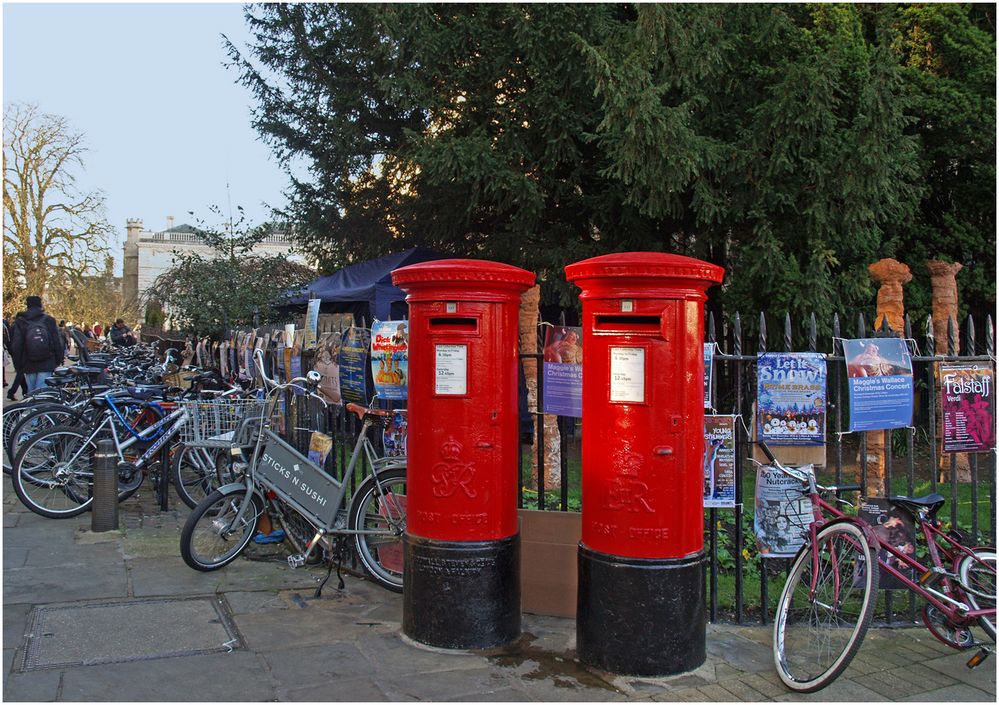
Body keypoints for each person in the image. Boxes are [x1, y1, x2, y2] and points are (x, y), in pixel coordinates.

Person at [10, 296, 63, 394]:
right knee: (43, 392)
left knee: (32, 392)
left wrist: (18, 365)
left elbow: (17, 346)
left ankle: (31, 408)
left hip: (28, 363)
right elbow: (57, 342)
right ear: (40, 304)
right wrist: (58, 360)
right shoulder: (49, 320)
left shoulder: (21, 321)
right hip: (47, 361)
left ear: (27, 305)